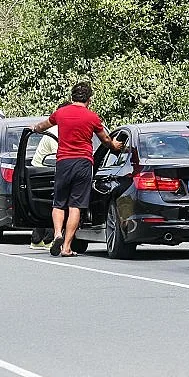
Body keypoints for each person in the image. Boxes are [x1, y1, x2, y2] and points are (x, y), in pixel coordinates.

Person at [32, 82, 123, 257]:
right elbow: (105, 139)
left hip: (63, 162)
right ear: (89, 99)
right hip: (83, 163)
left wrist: (34, 128)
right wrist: (114, 145)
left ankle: (57, 233)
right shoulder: (92, 117)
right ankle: (66, 247)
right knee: (76, 206)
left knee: (59, 203)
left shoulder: (61, 113)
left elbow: (43, 126)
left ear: (71, 97)